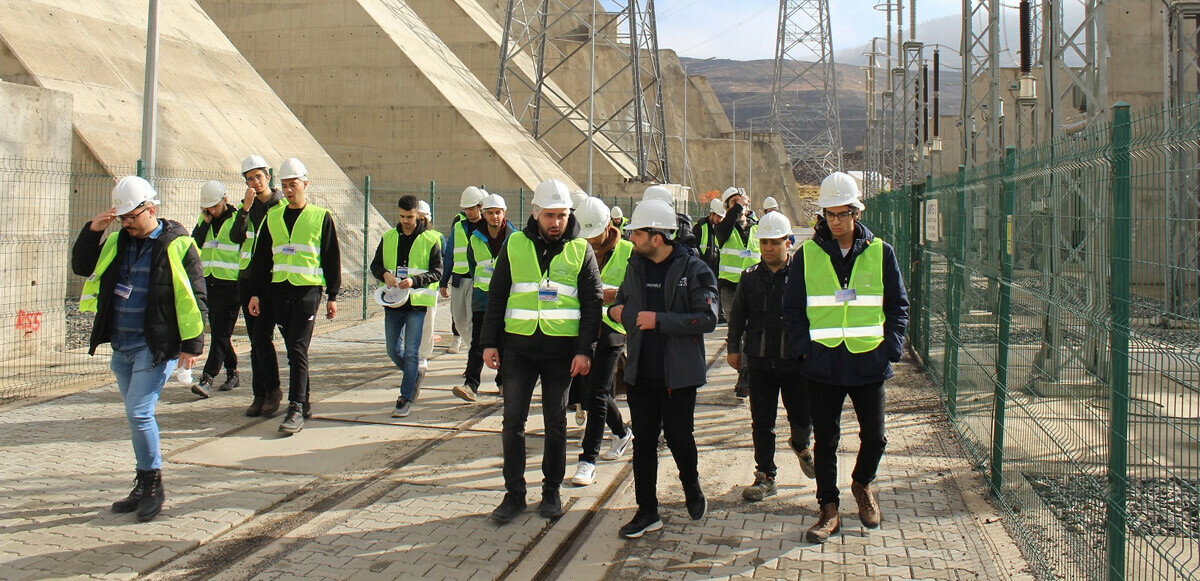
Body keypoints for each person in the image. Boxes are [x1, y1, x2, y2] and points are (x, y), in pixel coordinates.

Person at [782, 171, 909, 544]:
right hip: (822, 363)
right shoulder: (806, 256)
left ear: (856, 212)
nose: (836, 222)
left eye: (843, 214)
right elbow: (792, 310)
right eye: (829, 215)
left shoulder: (880, 251)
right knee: (826, 442)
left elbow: (897, 304)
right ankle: (828, 508)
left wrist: (891, 346)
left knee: (876, 437)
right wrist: (805, 349)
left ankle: (862, 485)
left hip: (868, 359)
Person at [72, 176, 207, 522]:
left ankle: (152, 486)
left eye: (132, 217)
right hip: (122, 345)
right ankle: (142, 481)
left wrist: (192, 345)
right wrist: (93, 231)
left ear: (150, 209)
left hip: (155, 345)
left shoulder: (177, 243)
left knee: (139, 413)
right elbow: (82, 267)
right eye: (122, 218)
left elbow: (196, 295)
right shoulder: (117, 240)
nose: (126, 224)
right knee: (135, 418)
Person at [480, 179, 603, 524]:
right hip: (518, 348)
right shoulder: (514, 244)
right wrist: (489, 342)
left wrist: (585, 351)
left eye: (561, 215)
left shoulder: (581, 250)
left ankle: (551, 492)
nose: (556, 222)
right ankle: (514, 494)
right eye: (549, 215)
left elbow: (593, 305)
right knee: (513, 423)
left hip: (561, 353)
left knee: (555, 423)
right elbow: (498, 294)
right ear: (535, 213)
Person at [608, 197, 718, 539]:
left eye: (637, 233)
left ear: (657, 237)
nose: (632, 239)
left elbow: (708, 318)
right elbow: (621, 306)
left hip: (678, 374)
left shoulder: (694, 269)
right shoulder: (635, 266)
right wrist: (623, 315)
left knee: (680, 438)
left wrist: (661, 321)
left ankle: (691, 486)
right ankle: (647, 511)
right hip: (641, 372)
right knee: (643, 443)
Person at [726, 211, 815, 502]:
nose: (767, 248)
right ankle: (765, 475)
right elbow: (738, 316)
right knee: (762, 421)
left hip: (795, 363)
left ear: (788, 242)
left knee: (802, 417)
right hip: (761, 362)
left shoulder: (803, 277)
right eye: (763, 242)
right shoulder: (750, 278)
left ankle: (802, 446)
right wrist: (733, 349)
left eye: (774, 243)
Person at [248, 158, 341, 435]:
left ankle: (296, 407)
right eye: (285, 186)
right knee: (292, 349)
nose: (289, 190)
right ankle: (305, 401)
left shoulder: (320, 216)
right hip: (279, 290)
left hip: (307, 291)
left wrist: (333, 295)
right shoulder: (272, 216)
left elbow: (330, 256)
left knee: (298, 349)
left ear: (305, 183)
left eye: (294, 184)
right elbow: (262, 258)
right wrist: (255, 293)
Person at [570, 197, 634, 487]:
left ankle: (588, 460)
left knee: (596, 391)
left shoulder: (629, 252)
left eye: (596, 238)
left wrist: (613, 295)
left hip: (613, 326)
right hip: (584, 324)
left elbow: (637, 289)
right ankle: (621, 432)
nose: (591, 244)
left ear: (609, 227)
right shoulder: (576, 247)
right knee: (591, 389)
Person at [371, 195, 443, 417]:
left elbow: (437, 271)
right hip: (393, 301)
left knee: (412, 352)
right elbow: (376, 265)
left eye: (410, 217)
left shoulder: (431, 239)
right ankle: (413, 376)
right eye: (402, 216)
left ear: (418, 215)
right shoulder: (389, 237)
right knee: (393, 351)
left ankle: (405, 397)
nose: (406, 221)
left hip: (417, 303)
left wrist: (414, 281)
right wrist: (384, 274)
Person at [229, 155, 284, 417]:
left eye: (258, 176)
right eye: (249, 178)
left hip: (276, 280)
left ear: (268, 177)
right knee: (257, 341)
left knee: (271, 339)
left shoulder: (281, 205)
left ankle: (280, 392)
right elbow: (235, 237)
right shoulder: (246, 207)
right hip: (249, 280)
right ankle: (261, 393)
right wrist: (245, 209)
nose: (254, 182)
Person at [453, 193, 515, 402]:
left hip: (508, 300)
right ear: (484, 214)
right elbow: (473, 266)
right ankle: (471, 385)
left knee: (505, 342)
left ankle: (504, 382)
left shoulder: (515, 239)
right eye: (490, 213)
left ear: (504, 213)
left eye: (498, 212)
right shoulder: (475, 239)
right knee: (478, 343)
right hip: (482, 299)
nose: (494, 216)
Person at [190, 180, 241, 398]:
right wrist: (204, 222)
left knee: (220, 333)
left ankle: (207, 378)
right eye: (207, 207)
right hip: (209, 283)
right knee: (222, 332)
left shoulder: (238, 220)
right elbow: (194, 244)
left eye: (215, 206)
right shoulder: (207, 222)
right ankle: (232, 372)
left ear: (225, 199)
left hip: (231, 285)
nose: (211, 210)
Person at [715, 186, 759, 398]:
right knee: (737, 331)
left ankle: (747, 374)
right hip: (731, 288)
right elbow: (724, 229)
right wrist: (737, 206)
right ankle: (744, 371)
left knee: (751, 332)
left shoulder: (758, 228)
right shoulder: (723, 229)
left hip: (754, 287)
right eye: (734, 203)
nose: (739, 207)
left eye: (742, 203)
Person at [441, 187, 487, 354]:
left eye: (471, 208)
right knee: (459, 321)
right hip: (459, 279)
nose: (468, 211)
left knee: (472, 321)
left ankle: (474, 354)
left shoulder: (487, 227)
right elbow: (449, 256)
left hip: (478, 281)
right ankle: (475, 348)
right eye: (466, 208)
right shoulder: (459, 227)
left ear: (480, 207)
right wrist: (443, 282)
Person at [416, 200, 442, 372]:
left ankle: (423, 356)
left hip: (427, 289)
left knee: (426, 324)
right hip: (405, 289)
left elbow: (441, 263)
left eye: (421, 217)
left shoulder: (435, 238)